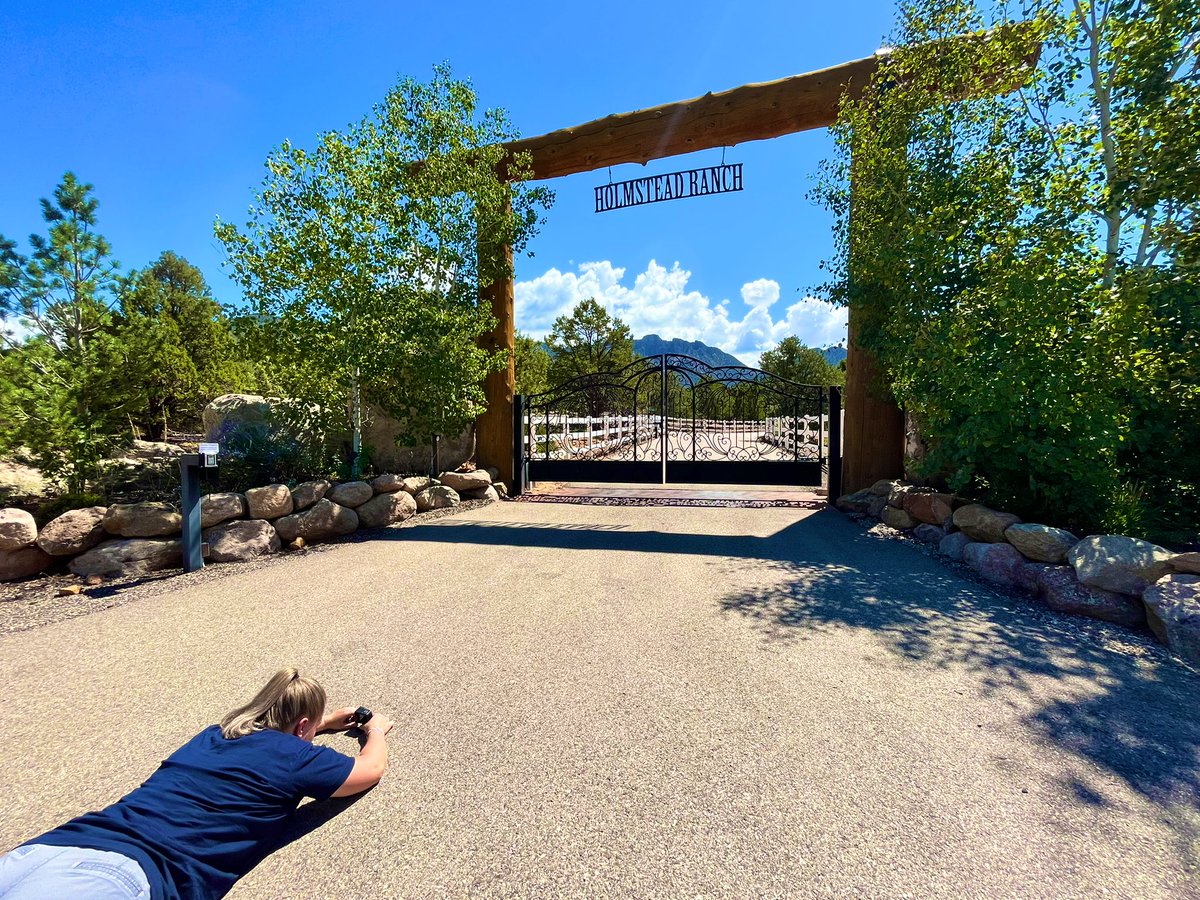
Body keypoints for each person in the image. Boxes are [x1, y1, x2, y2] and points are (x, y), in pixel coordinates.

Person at [0, 668, 392, 900]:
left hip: (48, 849)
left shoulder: (214, 736)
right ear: (301, 726)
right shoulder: (298, 758)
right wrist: (375, 730)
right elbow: (368, 771)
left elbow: (266, 743)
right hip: (126, 874)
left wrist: (319, 725)